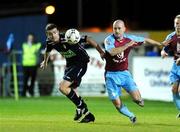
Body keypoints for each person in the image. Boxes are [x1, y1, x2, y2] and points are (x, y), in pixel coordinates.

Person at [40, 23, 104, 123]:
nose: (53, 36)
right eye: (49, 34)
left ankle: (83, 109)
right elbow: (47, 50)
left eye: (54, 33)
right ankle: (84, 112)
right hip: (70, 64)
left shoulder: (68, 37)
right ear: (46, 35)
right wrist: (45, 61)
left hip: (81, 62)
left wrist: (100, 52)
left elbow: (89, 39)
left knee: (62, 87)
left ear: (58, 32)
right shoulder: (49, 42)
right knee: (72, 89)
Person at [104, 19, 164, 123]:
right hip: (111, 75)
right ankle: (131, 116)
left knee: (138, 100)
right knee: (117, 104)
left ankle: (137, 99)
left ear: (124, 29)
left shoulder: (130, 38)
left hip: (124, 74)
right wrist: (127, 45)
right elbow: (112, 52)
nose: (117, 31)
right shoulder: (109, 40)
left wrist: (160, 44)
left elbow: (145, 40)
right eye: (115, 28)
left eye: (119, 28)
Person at [161, 14, 180, 118]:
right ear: (174, 24)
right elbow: (164, 49)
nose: (178, 25)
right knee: (174, 90)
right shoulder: (171, 37)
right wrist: (163, 53)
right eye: (177, 23)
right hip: (176, 67)